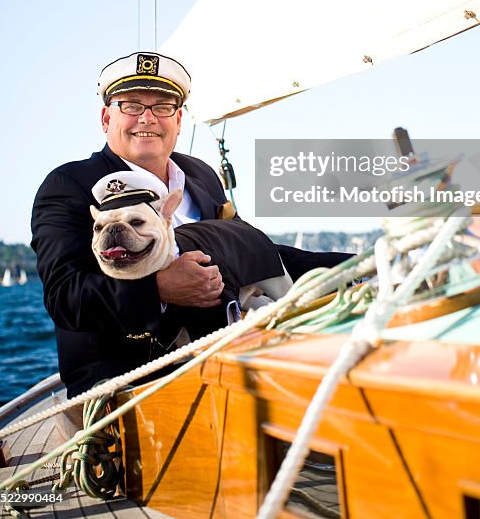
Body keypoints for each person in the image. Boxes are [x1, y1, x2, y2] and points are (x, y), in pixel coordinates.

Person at [31, 51, 350, 397]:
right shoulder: (69, 185)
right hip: (130, 378)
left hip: (227, 350)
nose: (148, 118)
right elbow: (65, 296)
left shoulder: (200, 175)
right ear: (107, 118)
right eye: (132, 105)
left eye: (163, 107)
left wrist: (352, 265)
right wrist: (159, 289)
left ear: (179, 120)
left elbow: (251, 251)